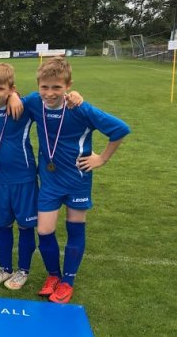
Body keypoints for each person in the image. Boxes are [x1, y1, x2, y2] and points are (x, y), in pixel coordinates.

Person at [24, 57, 130, 303]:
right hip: (49, 180)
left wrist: (101, 158)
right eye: (44, 87)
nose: (50, 93)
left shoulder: (80, 109)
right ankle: (54, 275)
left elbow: (120, 129)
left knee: (75, 227)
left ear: (68, 85)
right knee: (44, 230)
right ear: (38, 85)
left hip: (77, 179)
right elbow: (6, 96)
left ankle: (68, 281)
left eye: (57, 87)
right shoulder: (34, 102)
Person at [0, 63, 39, 289]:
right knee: (2, 225)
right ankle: (4, 268)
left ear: (10, 88)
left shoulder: (23, 107)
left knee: (25, 226)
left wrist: (15, 96)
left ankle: (23, 270)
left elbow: (43, 95)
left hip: (24, 178)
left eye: (0, 89)